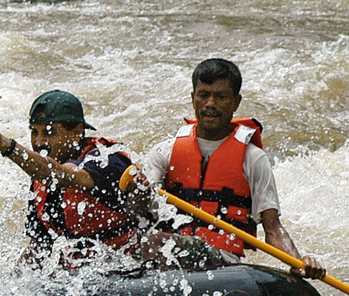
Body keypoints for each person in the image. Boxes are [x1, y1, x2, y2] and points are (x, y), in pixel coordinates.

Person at [135, 58, 325, 279]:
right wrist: (136, 191)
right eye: (203, 95)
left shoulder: (253, 159)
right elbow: (143, 211)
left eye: (221, 97)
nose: (210, 104)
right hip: (168, 254)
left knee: (155, 242)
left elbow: (272, 228)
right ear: (193, 98)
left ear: (236, 102)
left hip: (221, 261)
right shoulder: (164, 152)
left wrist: (298, 261)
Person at [0, 90, 147, 268]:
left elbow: (63, 175)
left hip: (130, 264)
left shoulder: (106, 158)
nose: (39, 142)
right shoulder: (40, 174)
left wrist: (6, 145)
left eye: (50, 133)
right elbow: (40, 247)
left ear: (77, 133)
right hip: (82, 272)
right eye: (34, 132)